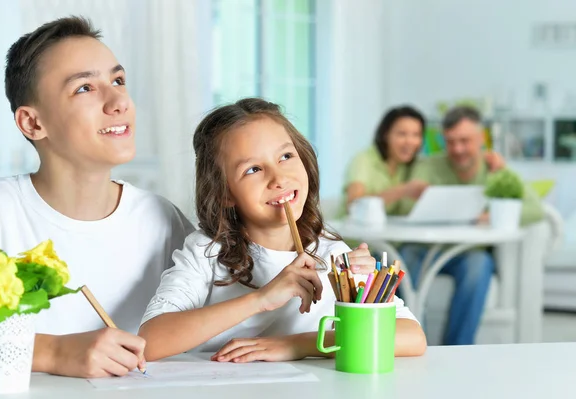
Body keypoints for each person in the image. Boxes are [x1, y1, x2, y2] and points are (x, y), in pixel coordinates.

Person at [0, 17, 195, 377]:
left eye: (118, 81)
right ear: (32, 123)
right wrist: (53, 352)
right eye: (84, 89)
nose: (119, 101)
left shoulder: (163, 220)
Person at [138, 98, 427, 362]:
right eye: (253, 169)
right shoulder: (206, 252)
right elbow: (150, 341)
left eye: (286, 157)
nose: (279, 178)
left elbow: (412, 338)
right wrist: (261, 299)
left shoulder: (332, 253)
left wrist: (299, 344)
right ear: (224, 192)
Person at [401, 105, 545, 345]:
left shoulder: (495, 169)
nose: (457, 149)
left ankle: (457, 349)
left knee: (479, 266)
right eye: (451, 141)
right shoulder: (428, 167)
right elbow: (403, 211)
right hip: (425, 249)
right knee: (404, 257)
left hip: (468, 254)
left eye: (465, 141)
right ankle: (413, 342)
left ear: (481, 138)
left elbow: (535, 209)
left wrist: (492, 216)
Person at [341, 105, 429, 217]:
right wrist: (403, 190)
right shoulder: (364, 160)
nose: (410, 141)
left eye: (416, 135)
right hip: (351, 232)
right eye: (402, 134)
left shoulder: (409, 165)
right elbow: (354, 205)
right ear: (385, 135)